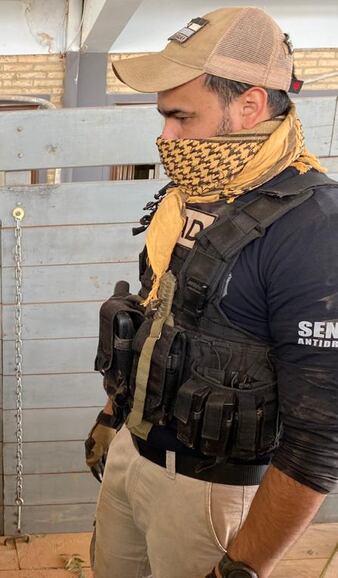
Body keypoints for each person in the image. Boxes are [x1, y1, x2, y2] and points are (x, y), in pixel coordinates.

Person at [87, 7, 338, 578]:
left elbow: (321, 437)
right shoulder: (187, 197)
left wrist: (242, 568)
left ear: (248, 105)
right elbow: (155, 322)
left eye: (181, 116)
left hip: (210, 495)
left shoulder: (315, 227)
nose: (165, 137)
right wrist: (112, 418)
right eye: (163, 118)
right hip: (134, 454)